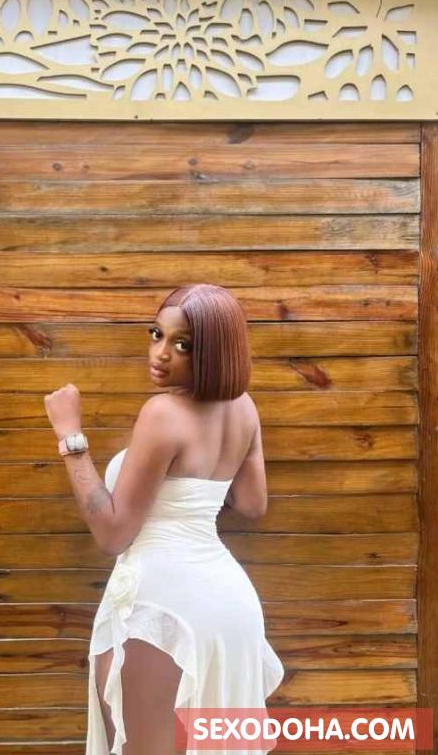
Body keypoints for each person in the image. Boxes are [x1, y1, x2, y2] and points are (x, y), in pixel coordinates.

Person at [44, 283, 285, 755]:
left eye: (183, 345)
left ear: (215, 351)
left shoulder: (163, 413)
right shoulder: (243, 406)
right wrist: (192, 492)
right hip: (229, 606)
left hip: (164, 607)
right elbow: (252, 502)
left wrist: (70, 435)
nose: (160, 353)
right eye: (157, 334)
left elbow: (113, 534)